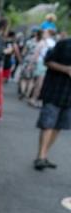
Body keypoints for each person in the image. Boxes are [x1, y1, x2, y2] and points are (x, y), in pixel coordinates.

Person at [32, 36, 71, 170]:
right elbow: (47, 61)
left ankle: (44, 155)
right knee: (48, 123)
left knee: (58, 126)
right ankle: (40, 157)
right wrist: (66, 69)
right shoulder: (63, 44)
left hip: (69, 95)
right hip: (54, 90)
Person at [29, 28, 57, 108]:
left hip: (41, 63)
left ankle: (34, 98)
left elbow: (36, 54)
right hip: (46, 64)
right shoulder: (54, 43)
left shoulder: (43, 42)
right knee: (40, 83)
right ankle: (36, 99)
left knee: (38, 82)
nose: (44, 33)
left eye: (45, 32)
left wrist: (31, 64)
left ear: (49, 34)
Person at [18, 27, 42, 99]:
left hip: (27, 60)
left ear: (35, 34)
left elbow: (23, 52)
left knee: (23, 78)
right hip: (37, 62)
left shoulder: (29, 42)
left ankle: (22, 91)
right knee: (32, 79)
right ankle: (28, 94)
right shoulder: (43, 43)